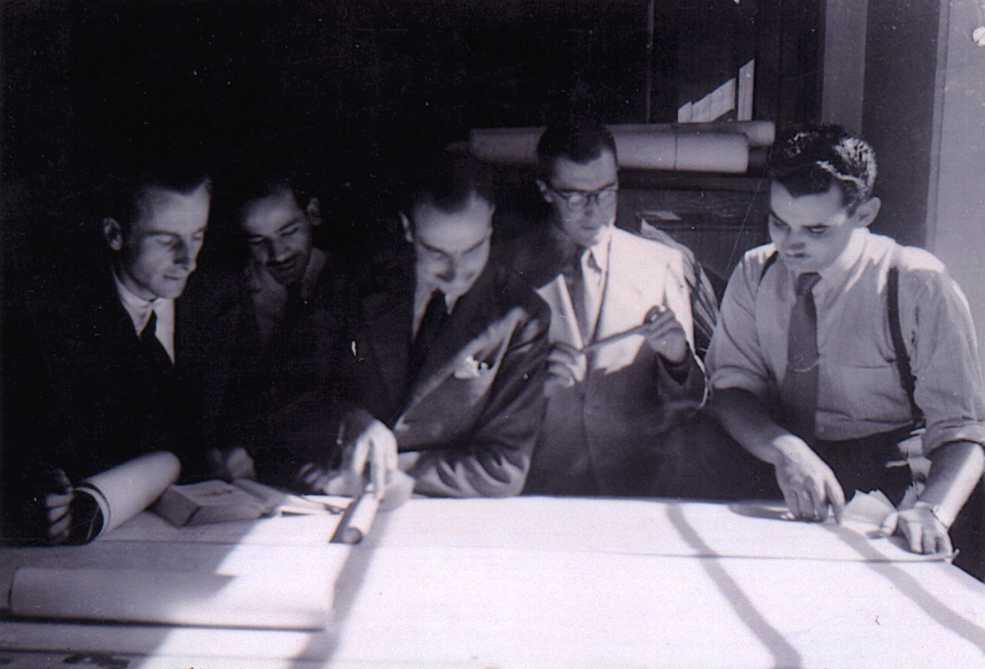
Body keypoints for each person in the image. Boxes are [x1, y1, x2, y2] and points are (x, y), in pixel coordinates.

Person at [707, 124, 985, 562]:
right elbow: (730, 389)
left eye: (816, 230)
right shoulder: (755, 272)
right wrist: (785, 450)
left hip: (890, 479)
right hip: (784, 461)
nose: (790, 244)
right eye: (779, 223)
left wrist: (932, 511)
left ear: (865, 213)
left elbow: (963, 432)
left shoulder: (916, 284)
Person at [297, 151, 551, 498]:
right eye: (437, 253)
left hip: (437, 513)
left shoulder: (522, 316)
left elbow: (503, 466)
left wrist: (381, 472)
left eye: (473, 249)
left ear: (490, 224)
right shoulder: (353, 279)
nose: (456, 273)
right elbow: (291, 394)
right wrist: (349, 421)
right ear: (407, 229)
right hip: (326, 498)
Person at [1, 161, 213, 543]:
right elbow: (22, 441)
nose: (189, 260)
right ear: (115, 235)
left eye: (197, 236)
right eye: (167, 241)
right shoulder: (51, 319)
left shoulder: (221, 300)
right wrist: (37, 490)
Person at [503, 119, 707, 496]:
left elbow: (688, 405)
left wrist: (677, 360)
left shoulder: (661, 265)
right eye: (575, 197)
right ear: (545, 190)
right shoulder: (503, 269)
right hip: (536, 494)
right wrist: (527, 384)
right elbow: (470, 405)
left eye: (606, 192)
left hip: (637, 494)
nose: (594, 211)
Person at [201, 170, 347, 487]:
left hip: (320, 472)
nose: (277, 254)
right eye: (258, 241)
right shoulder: (221, 296)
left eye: (288, 232)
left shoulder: (352, 287)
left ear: (313, 214)